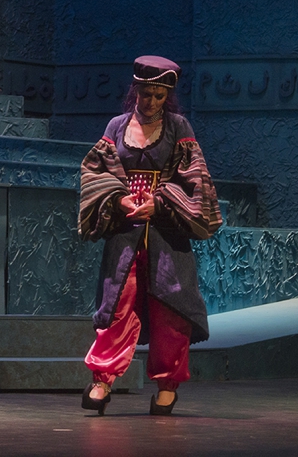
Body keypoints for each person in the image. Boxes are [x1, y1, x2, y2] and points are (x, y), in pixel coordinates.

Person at [78, 55, 222, 415]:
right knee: (116, 305)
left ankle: (167, 386)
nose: (151, 102)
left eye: (159, 96)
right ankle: (101, 381)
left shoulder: (178, 127)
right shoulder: (117, 126)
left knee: (170, 310)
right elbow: (96, 170)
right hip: (126, 230)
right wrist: (118, 198)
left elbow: (195, 179)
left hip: (166, 232)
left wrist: (159, 203)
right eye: (146, 94)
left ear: (167, 96)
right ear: (135, 91)